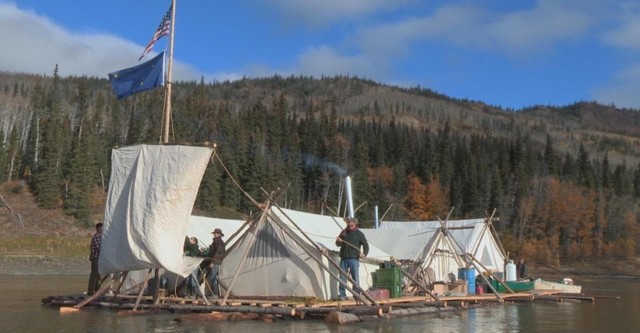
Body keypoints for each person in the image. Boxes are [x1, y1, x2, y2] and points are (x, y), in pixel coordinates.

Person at [335, 217, 369, 300]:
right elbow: (337, 244)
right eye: (348, 223)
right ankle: (342, 295)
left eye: (350, 222)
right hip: (343, 258)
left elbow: (366, 245)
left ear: (354, 223)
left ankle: (356, 295)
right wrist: (339, 241)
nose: (349, 224)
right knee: (342, 277)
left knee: (355, 278)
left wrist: (364, 254)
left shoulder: (359, 234)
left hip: (354, 259)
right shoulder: (344, 232)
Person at [206, 228, 225, 298]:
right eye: (214, 233)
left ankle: (215, 295)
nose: (215, 234)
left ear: (219, 234)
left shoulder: (219, 242)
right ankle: (213, 294)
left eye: (216, 233)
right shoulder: (216, 241)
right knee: (212, 277)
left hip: (215, 261)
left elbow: (218, 253)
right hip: (215, 261)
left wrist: (213, 262)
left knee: (213, 277)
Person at [87, 223, 103, 295]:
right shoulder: (96, 236)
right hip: (95, 257)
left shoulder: (102, 236)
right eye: (100, 228)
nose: (102, 229)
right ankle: (90, 291)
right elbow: (98, 247)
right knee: (94, 273)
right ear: (97, 229)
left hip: (99, 258)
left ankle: (97, 290)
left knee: (98, 274)